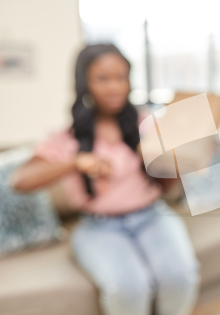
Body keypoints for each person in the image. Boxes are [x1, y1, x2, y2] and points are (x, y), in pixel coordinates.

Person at [11, 44, 199, 315]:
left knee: (180, 277)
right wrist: (75, 162)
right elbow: (20, 180)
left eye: (121, 78)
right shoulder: (67, 139)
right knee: (129, 288)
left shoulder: (146, 125)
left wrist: (180, 159)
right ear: (84, 83)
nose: (115, 87)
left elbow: (168, 185)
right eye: (103, 79)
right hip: (99, 228)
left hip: (153, 216)